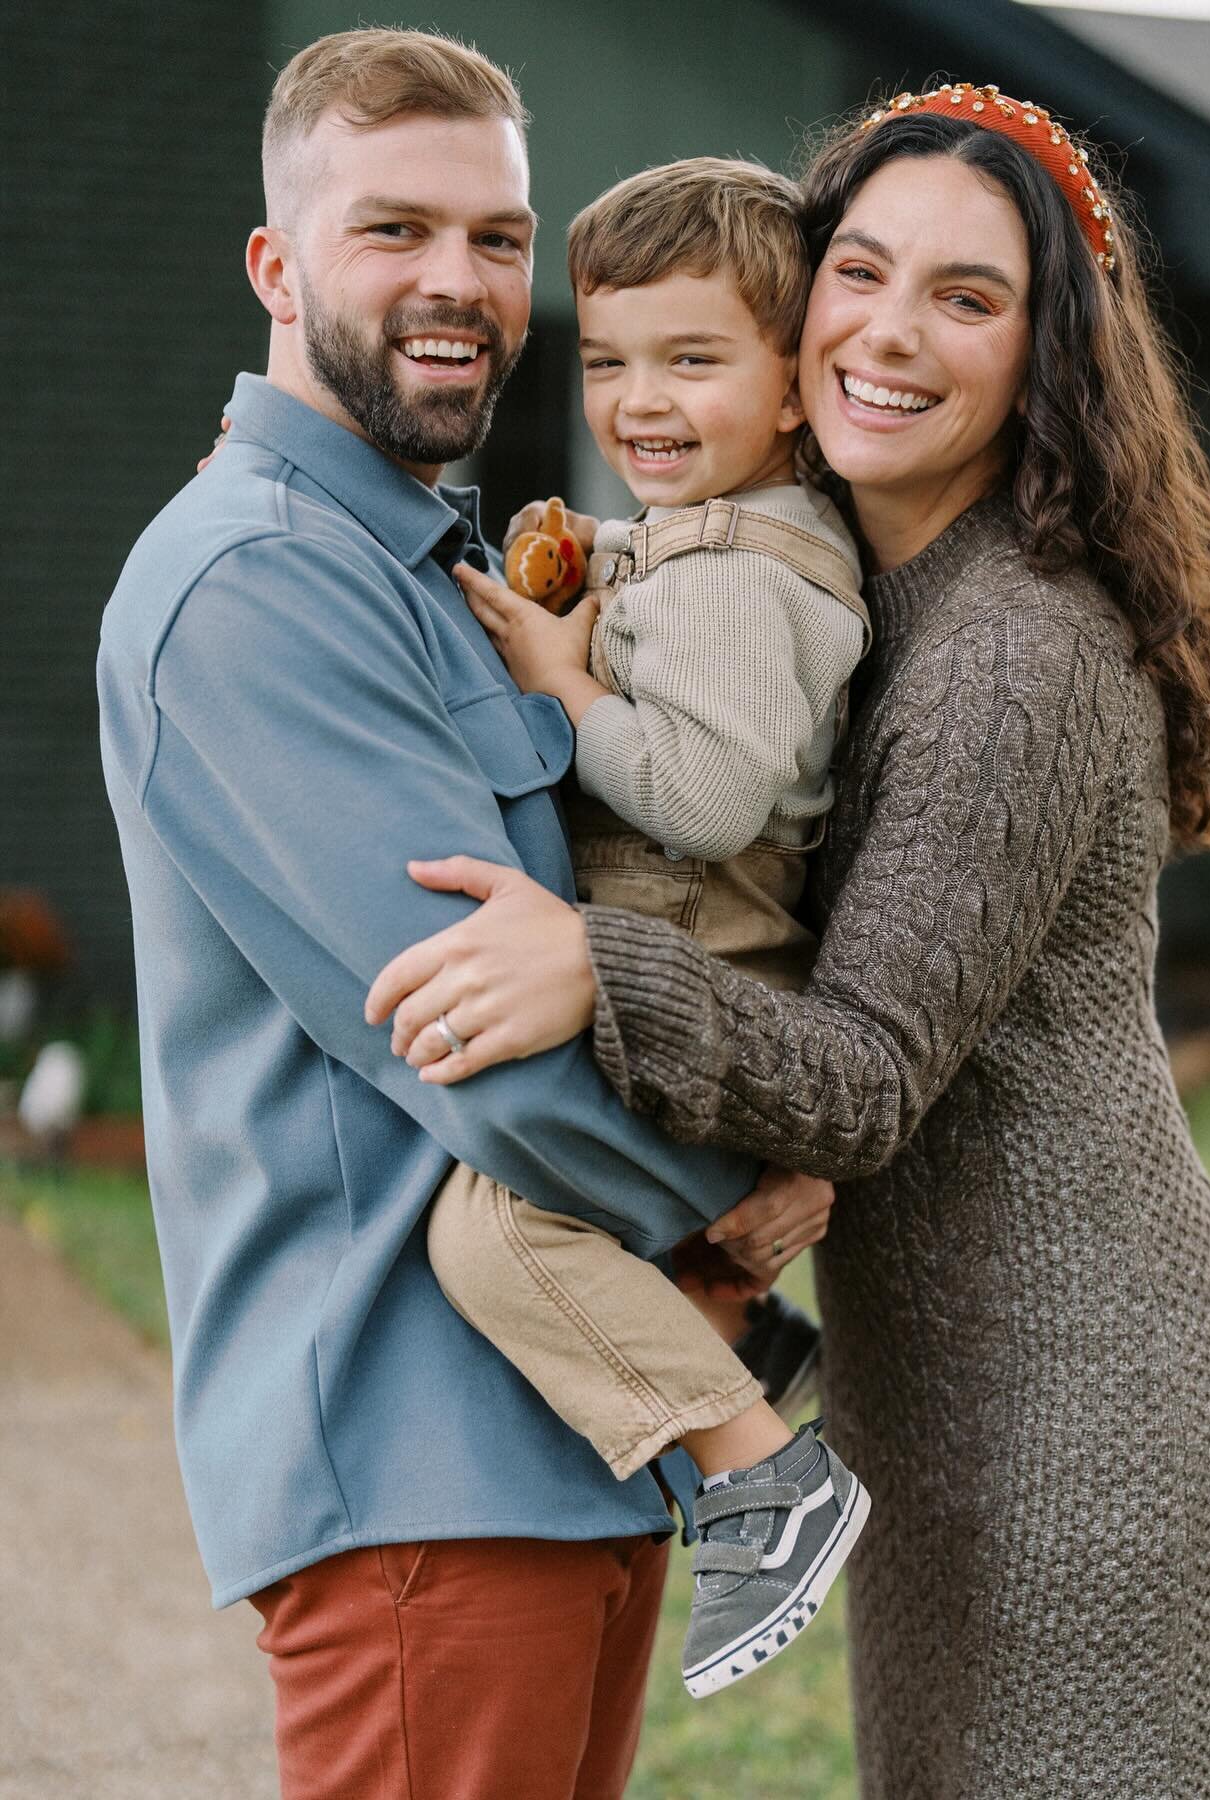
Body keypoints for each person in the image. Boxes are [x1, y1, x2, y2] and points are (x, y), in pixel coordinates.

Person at [369, 81, 1210, 1797]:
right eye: (863, 271)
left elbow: (864, 1072)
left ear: (1049, 353)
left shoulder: (1018, 650)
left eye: (970, 296)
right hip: (929, 1383)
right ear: (798, 307)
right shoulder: (846, 576)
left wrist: (594, 965)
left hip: (1080, 1397)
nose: (892, 333)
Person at [96, 27, 832, 1799]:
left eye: (498, 239)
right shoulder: (261, 582)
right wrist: (739, 1209)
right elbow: (475, 1048)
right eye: (394, 230)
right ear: (277, 265)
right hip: (418, 1460)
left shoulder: (444, 570)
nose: (461, 283)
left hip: (579, 1430)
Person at [411, 156, 872, 1698]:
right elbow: (660, 592)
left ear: (797, 385)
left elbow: (705, 792)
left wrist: (566, 684)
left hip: (708, 972)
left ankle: (763, 1474)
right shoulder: (711, 534)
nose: (637, 399)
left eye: (693, 359)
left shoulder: (746, 569)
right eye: (608, 359)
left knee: (491, 1228)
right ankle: (745, 1348)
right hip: (677, 966)